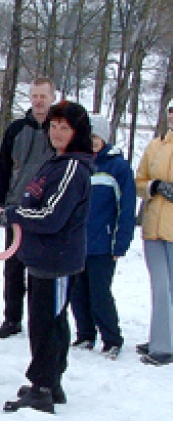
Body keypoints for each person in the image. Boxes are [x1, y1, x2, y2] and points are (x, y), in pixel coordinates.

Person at [0, 100, 93, 413]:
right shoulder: (56, 162)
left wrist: (14, 215)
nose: (57, 133)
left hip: (57, 260)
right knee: (43, 322)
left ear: (77, 132)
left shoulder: (73, 168)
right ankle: (48, 382)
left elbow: (52, 216)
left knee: (47, 325)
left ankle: (43, 387)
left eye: (65, 128)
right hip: (40, 258)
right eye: (53, 126)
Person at [0, 77, 58, 338]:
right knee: (14, 268)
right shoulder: (16, 129)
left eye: (43, 96)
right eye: (35, 96)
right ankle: (12, 319)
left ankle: (44, 320)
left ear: (52, 97)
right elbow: (3, 169)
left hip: (47, 211)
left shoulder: (59, 129)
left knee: (42, 269)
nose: (39, 101)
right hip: (16, 207)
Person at [68, 114, 135, 360]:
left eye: (95, 138)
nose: (91, 142)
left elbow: (126, 208)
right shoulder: (77, 162)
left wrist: (121, 242)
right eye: (87, 137)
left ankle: (112, 338)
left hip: (103, 244)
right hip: (77, 243)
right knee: (77, 292)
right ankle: (85, 334)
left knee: (100, 293)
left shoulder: (117, 167)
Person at [134, 103, 173, 366]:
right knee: (159, 285)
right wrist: (154, 186)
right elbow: (139, 181)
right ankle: (161, 338)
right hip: (154, 226)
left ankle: (163, 343)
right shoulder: (156, 146)